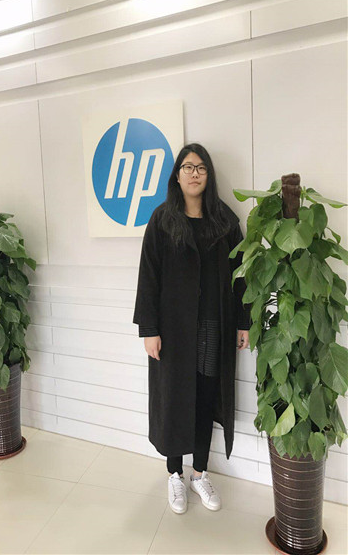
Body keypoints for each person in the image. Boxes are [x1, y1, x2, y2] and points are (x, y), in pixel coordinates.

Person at [133, 143, 251, 515]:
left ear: (208, 174)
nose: (194, 173)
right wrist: (149, 328)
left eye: (200, 167)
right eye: (187, 166)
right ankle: (175, 474)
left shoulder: (225, 221)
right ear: (177, 175)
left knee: (204, 399)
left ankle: (199, 473)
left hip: (214, 328)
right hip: (173, 331)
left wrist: (244, 322)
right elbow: (149, 276)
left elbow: (241, 275)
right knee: (174, 400)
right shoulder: (162, 220)